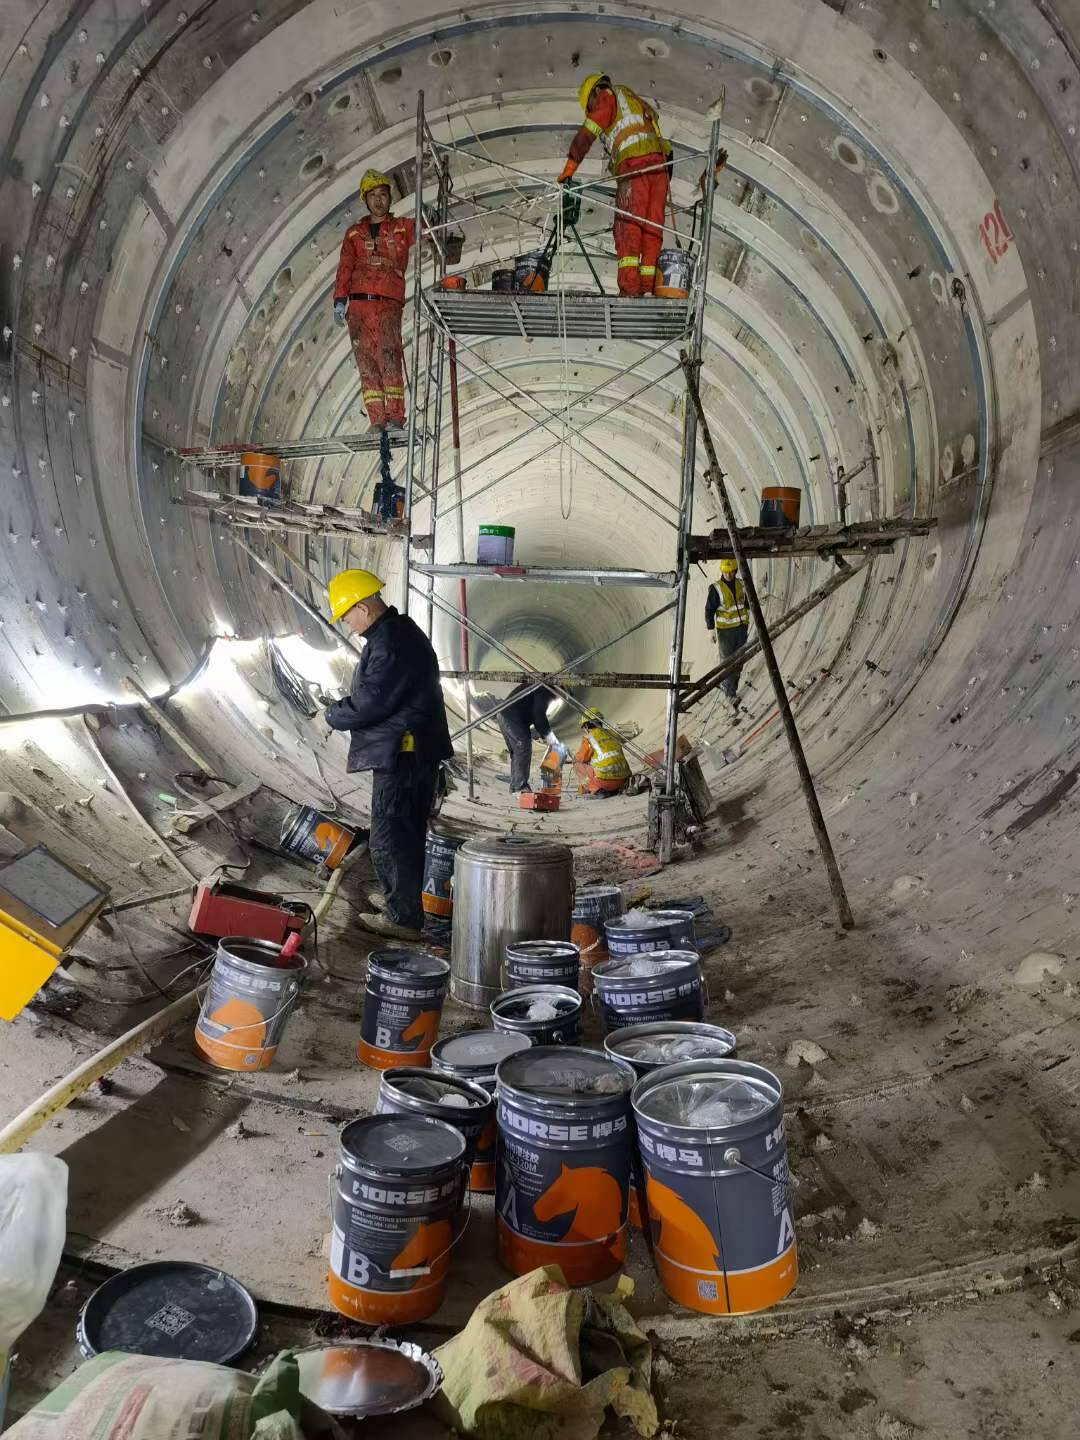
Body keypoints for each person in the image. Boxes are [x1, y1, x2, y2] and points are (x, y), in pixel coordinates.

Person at [322, 568, 453, 939]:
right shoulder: (399, 633)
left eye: (346, 615)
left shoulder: (389, 643)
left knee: (388, 836)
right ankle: (404, 904)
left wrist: (334, 713)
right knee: (407, 833)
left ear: (363, 607)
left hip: (403, 755)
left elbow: (370, 704)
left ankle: (403, 920)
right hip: (414, 751)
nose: (347, 624)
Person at [556, 74, 672, 297]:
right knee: (652, 229)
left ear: (594, 93)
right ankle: (647, 287)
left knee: (628, 226)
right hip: (659, 170)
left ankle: (629, 289)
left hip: (634, 166)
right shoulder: (636, 102)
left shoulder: (607, 96)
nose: (592, 110)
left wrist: (568, 170)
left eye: (590, 106)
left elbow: (588, 133)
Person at [333, 170, 416, 431]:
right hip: (358, 306)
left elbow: (431, 230)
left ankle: (394, 417)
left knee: (389, 356)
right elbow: (345, 267)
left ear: (390, 197)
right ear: (365, 200)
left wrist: (430, 216)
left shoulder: (402, 227)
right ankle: (377, 420)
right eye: (373, 196)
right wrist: (339, 299)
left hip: (387, 302)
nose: (378, 201)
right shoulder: (354, 234)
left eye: (383, 195)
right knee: (366, 362)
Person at [494, 683, 560, 793]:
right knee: (522, 749)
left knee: (517, 752)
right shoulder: (544, 691)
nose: (557, 698)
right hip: (512, 718)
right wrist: (550, 739)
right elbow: (539, 717)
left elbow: (536, 715)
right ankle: (520, 787)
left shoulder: (538, 687)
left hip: (504, 715)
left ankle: (515, 786)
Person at [705, 558, 749, 709]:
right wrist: (711, 630)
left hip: (741, 629)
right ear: (722, 572)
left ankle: (730, 688)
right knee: (728, 663)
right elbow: (709, 610)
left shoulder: (742, 585)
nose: (729, 574)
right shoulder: (716, 588)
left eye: (731, 571)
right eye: (726, 572)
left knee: (739, 662)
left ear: (735, 571)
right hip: (725, 632)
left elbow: (748, 603)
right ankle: (730, 694)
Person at [574, 707, 631, 796]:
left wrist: (576, 758)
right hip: (625, 780)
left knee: (577, 765)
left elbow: (581, 758)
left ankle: (595, 788)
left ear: (586, 726)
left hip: (606, 783)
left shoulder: (588, 738)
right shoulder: (612, 733)